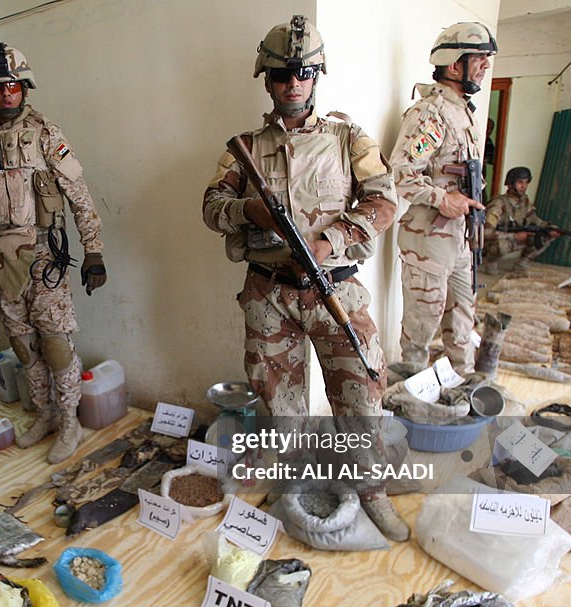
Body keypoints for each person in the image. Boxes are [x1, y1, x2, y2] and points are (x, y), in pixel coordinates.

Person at [202, 17, 407, 540]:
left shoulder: (348, 138)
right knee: (278, 399)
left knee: (361, 394)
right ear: (266, 80)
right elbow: (211, 206)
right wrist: (252, 210)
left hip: (333, 285)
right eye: (281, 75)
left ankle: (372, 494)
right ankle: (294, 483)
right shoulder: (244, 146)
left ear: (317, 77)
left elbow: (385, 201)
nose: (293, 83)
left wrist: (329, 241)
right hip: (269, 292)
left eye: (304, 73)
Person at [0, 42, 107, 464]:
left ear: (24, 88)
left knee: (56, 344)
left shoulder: (46, 133)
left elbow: (78, 193)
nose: (7, 93)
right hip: (1, 258)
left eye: (13, 85)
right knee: (24, 345)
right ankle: (45, 413)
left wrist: (94, 249)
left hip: (44, 253)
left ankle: (70, 422)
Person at [391, 21, 497, 375]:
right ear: (455, 65)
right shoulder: (430, 113)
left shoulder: (462, 111)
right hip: (428, 244)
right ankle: (410, 408)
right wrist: (443, 200)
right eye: (479, 58)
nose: (485, 66)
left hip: (460, 239)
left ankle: (463, 390)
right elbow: (401, 173)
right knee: (420, 332)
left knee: (463, 323)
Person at [483, 166, 559, 272]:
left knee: (544, 235)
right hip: (495, 241)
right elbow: (485, 232)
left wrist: (549, 227)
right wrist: (514, 236)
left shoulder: (525, 202)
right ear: (510, 184)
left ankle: (522, 262)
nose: (524, 186)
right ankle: (491, 260)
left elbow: (534, 219)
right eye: (520, 182)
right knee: (501, 245)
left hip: (517, 236)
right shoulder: (498, 204)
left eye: (526, 182)